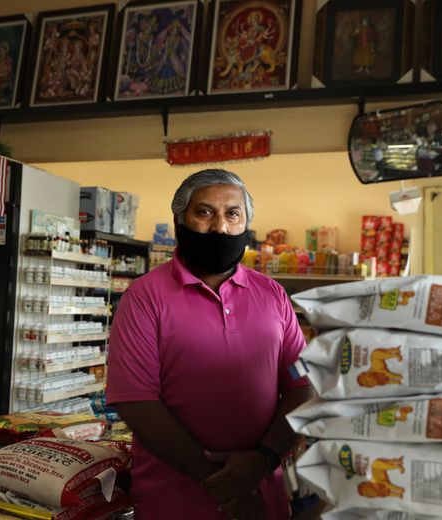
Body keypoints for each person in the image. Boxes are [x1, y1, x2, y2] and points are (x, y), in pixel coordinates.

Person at [107, 169, 313, 520]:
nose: (220, 227)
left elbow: (303, 385)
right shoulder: (144, 298)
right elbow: (136, 402)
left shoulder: (273, 295)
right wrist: (226, 484)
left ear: (246, 223)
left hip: (263, 495)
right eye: (204, 213)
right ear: (179, 220)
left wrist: (262, 459)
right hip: (173, 501)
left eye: (233, 214)